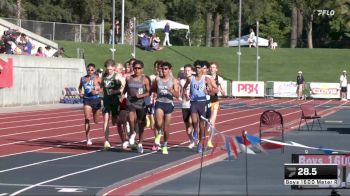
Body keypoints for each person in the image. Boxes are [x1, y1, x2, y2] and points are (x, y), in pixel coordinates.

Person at [184, 60, 214, 153]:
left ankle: (200, 143)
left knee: (202, 126)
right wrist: (186, 94)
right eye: (196, 68)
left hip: (202, 103)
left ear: (202, 69)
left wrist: (208, 91)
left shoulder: (206, 79)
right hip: (193, 102)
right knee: (193, 120)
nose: (197, 69)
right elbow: (185, 87)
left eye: (199, 68)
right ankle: (195, 132)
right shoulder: (190, 78)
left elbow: (212, 91)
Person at [123, 60, 150, 154]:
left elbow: (148, 92)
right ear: (132, 68)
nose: (137, 70)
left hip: (141, 104)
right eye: (135, 68)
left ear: (142, 69)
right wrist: (122, 95)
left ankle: (140, 143)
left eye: (139, 68)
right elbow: (126, 88)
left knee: (141, 124)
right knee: (130, 118)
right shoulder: (129, 78)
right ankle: (133, 133)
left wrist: (141, 95)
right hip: (130, 102)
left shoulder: (145, 79)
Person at [152, 61, 179, 154]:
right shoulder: (157, 79)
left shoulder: (174, 80)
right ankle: (159, 133)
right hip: (159, 102)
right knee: (159, 123)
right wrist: (155, 94)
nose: (163, 70)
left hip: (169, 104)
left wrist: (171, 90)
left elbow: (178, 95)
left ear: (170, 70)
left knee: (166, 129)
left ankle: (165, 145)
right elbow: (153, 88)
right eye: (162, 69)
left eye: (165, 69)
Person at [100, 59, 122, 150]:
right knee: (106, 120)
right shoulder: (103, 76)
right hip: (106, 101)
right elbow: (101, 86)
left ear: (113, 68)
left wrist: (115, 91)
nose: (109, 71)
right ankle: (106, 141)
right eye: (107, 69)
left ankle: (115, 118)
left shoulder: (117, 76)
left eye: (110, 69)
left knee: (114, 120)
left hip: (115, 101)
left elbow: (122, 89)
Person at [78, 63, 102, 146]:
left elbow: (104, 87)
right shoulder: (83, 78)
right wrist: (80, 93)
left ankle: (95, 119)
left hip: (96, 100)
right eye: (89, 70)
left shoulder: (97, 78)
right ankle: (88, 138)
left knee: (96, 121)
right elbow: (80, 87)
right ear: (87, 70)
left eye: (92, 70)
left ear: (94, 70)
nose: (90, 71)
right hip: (87, 100)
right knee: (87, 118)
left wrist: (98, 91)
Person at [208, 62, 225, 147]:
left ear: (216, 69)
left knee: (212, 121)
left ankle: (210, 140)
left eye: (214, 67)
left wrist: (220, 89)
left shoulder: (220, 79)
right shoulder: (206, 77)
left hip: (215, 101)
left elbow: (224, 93)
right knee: (205, 122)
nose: (212, 69)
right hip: (206, 101)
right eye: (211, 67)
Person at [180, 64, 195, 149]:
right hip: (185, 104)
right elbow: (181, 94)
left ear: (192, 71)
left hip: (193, 104)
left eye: (188, 70)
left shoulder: (195, 80)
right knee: (187, 125)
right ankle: (191, 140)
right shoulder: (182, 81)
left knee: (191, 121)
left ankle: (194, 130)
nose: (186, 72)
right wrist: (184, 94)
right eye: (185, 70)